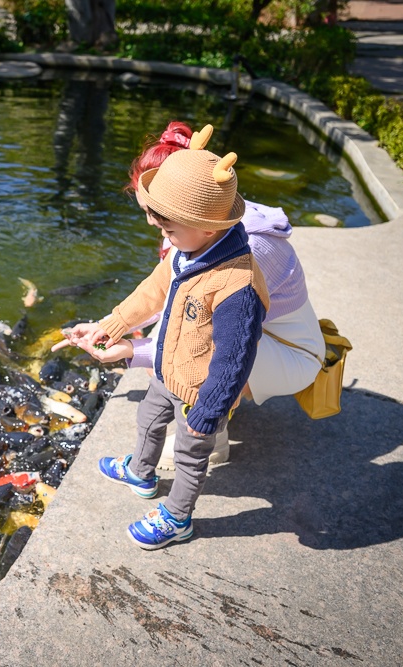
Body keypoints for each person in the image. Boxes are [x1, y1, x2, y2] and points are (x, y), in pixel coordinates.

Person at [58, 124, 269, 550]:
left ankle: (177, 517)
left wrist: (211, 410)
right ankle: (140, 470)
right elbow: (154, 288)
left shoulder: (237, 285)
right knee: (149, 420)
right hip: (165, 368)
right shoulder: (186, 250)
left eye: (168, 227)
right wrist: (114, 323)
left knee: (192, 457)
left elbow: (234, 360)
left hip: (197, 389)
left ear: (208, 227)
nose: (159, 232)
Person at [127, 121, 325, 468]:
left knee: (181, 349)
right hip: (264, 338)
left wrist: (131, 351)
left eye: (155, 214)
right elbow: (163, 291)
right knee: (163, 343)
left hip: (294, 353)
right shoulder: (206, 221)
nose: (151, 223)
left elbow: (214, 340)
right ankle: (217, 405)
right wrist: (110, 327)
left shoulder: (247, 251)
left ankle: (211, 441)